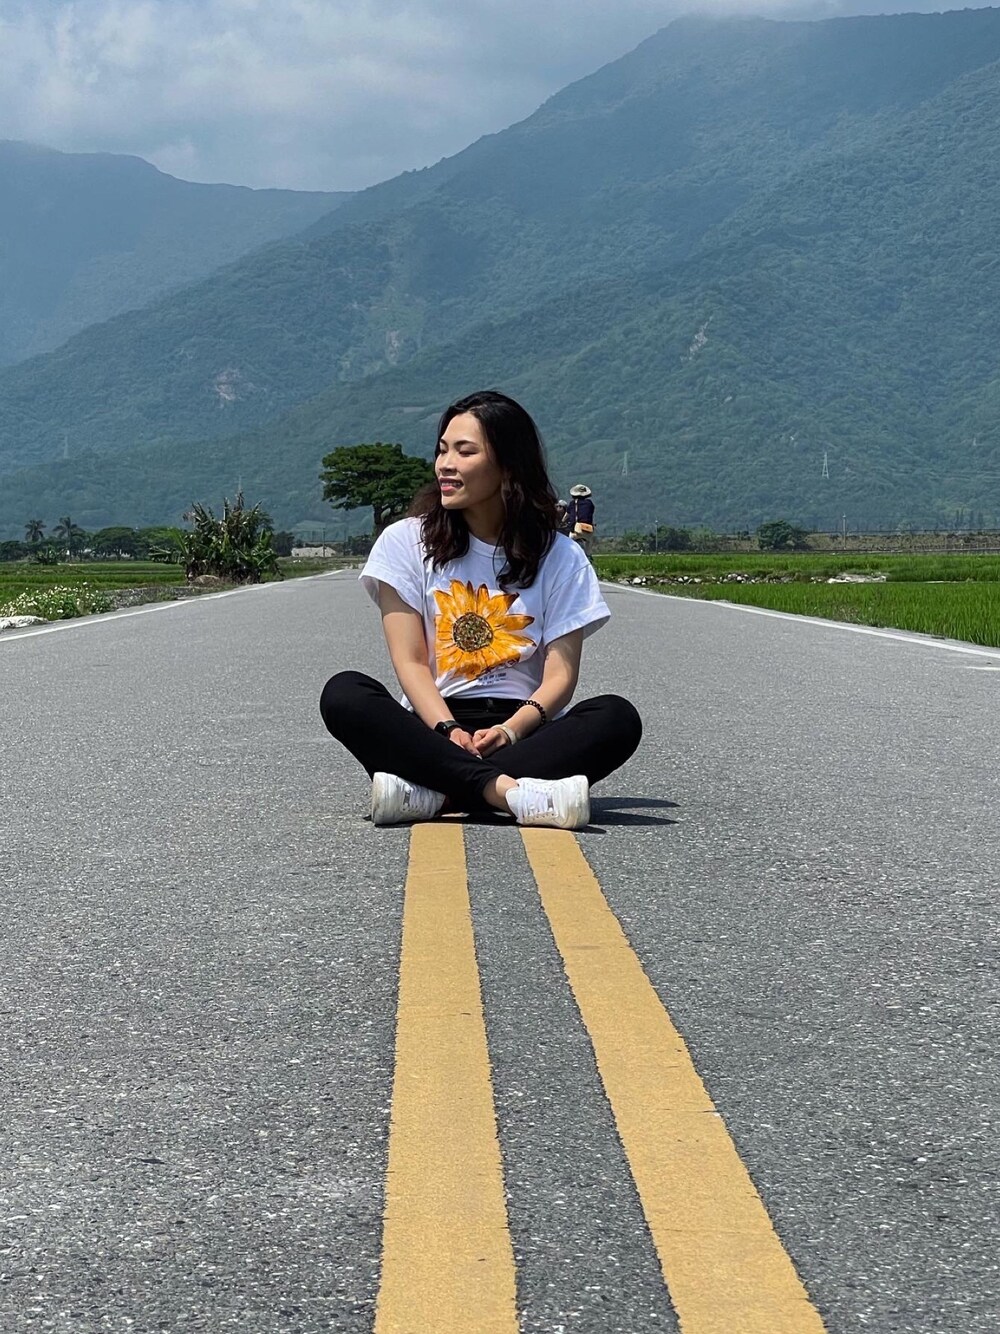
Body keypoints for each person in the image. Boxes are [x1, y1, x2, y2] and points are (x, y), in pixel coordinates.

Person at [319, 390, 642, 829]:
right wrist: (448, 731)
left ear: (508, 466)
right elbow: (410, 662)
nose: (445, 464)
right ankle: (508, 793)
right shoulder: (405, 542)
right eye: (442, 450)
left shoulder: (560, 556)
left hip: (524, 726)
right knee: (345, 694)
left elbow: (560, 677)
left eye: (465, 451)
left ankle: (433, 792)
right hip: (432, 724)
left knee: (617, 718)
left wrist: (510, 730)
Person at [566, 483, 596, 559]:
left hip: (575, 530)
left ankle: (570, 558)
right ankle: (588, 557)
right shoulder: (589, 503)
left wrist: (562, 522)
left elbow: (567, 515)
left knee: (569, 545)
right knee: (589, 543)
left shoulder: (572, 503)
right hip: (587, 530)